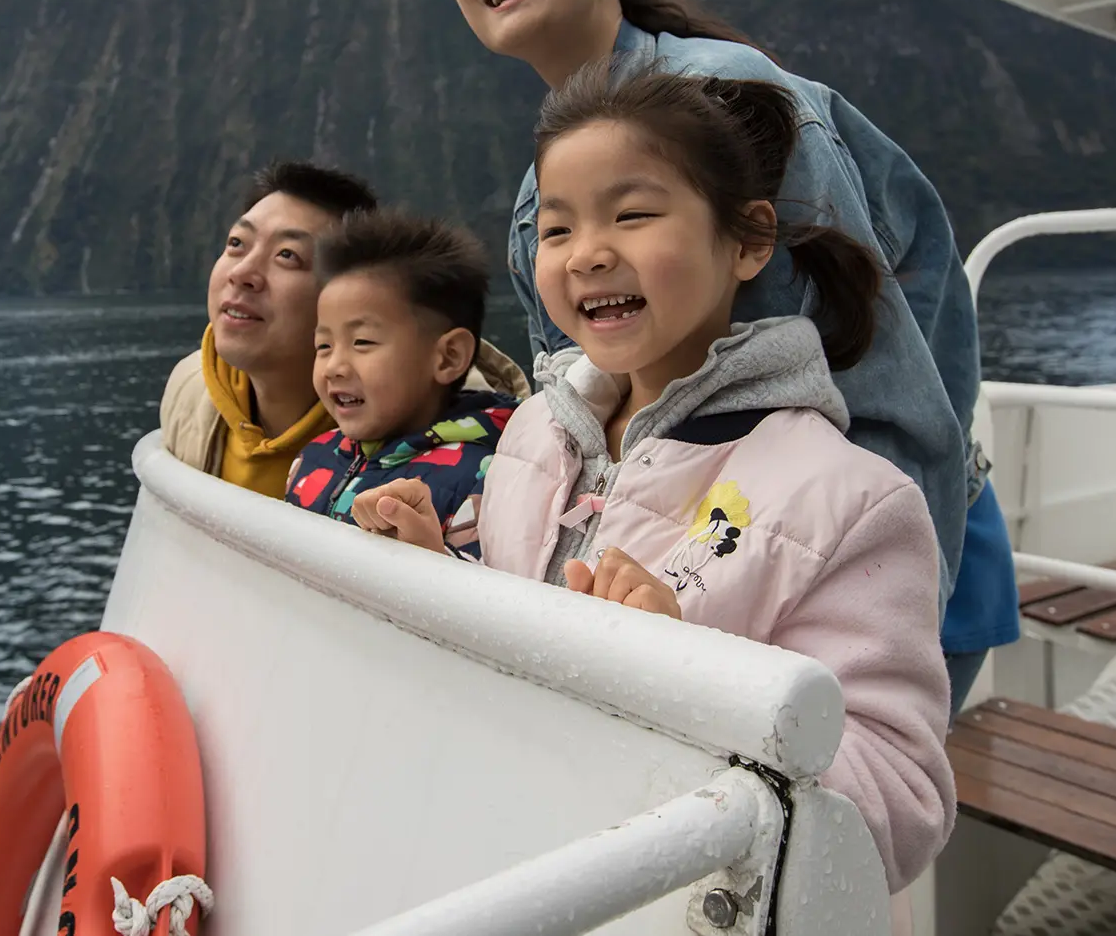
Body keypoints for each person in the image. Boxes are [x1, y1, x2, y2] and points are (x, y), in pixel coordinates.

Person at [447, 0, 1019, 714]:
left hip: (861, 555)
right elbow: (583, 421)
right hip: (688, 579)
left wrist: (894, 599)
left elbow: (881, 384)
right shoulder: (542, 196)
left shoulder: (732, 102)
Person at [353, 66, 954, 894]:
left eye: (632, 216)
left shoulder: (850, 502)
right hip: (528, 867)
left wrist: (689, 681)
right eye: (557, 231)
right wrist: (436, 568)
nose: (590, 253)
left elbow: (901, 802)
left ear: (747, 240)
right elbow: (517, 633)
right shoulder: (535, 433)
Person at [160, 160, 528, 496]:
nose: (242, 274)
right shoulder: (192, 390)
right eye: (236, 244)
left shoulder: (461, 442)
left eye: (287, 255)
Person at [284, 209, 520, 559]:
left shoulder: (488, 478)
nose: (333, 366)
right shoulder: (312, 456)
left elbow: (486, 598)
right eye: (323, 346)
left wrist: (434, 556)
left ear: (448, 357)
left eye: (362, 342)